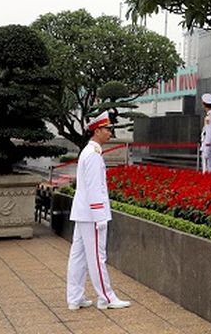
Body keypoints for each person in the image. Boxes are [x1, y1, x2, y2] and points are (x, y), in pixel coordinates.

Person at [66, 111, 131, 311]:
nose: (110, 133)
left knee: (78, 256)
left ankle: (75, 297)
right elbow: (95, 188)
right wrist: (99, 215)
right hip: (92, 215)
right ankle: (106, 297)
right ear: (98, 130)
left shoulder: (88, 151)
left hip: (83, 213)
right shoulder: (93, 155)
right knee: (96, 256)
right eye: (107, 129)